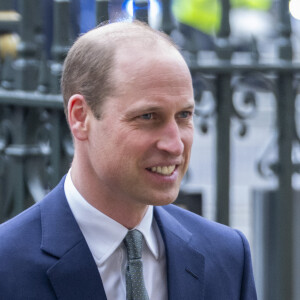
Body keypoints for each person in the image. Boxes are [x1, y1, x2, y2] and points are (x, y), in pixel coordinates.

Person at [0, 21, 257, 299]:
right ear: (80, 117)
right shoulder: (7, 264)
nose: (174, 144)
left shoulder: (228, 256)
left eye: (183, 116)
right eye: (147, 117)